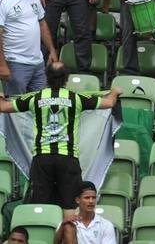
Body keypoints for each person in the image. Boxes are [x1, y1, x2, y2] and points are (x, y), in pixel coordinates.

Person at [0, 61, 120, 208]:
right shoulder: (76, 98)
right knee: (70, 206)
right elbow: (109, 103)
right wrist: (115, 92)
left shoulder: (35, 98)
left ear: (46, 77)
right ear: (66, 78)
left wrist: (1, 96)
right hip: (67, 159)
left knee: (40, 206)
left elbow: (3, 107)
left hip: (42, 159)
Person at [0, 0, 55, 94]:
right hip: (15, 63)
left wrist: (52, 50)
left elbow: (42, 24)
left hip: (38, 63)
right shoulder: (3, 2)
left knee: (39, 103)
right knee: (15, 104)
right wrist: (2, 65)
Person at [52, 181, 117, 244]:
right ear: (77, 200)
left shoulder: (106, 225)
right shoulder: (68, 221)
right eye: (87, 198)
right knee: (68, 225)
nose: (91, 201)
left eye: (93, 198)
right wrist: (62, 225)